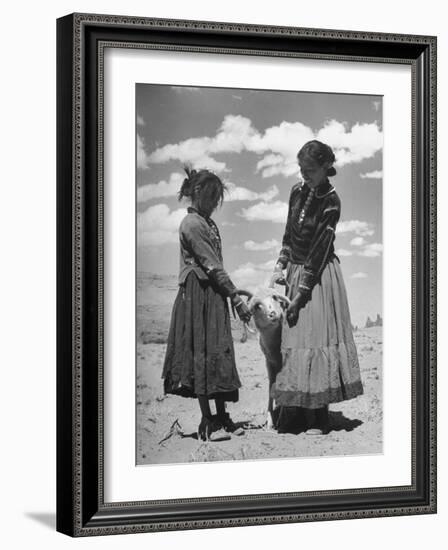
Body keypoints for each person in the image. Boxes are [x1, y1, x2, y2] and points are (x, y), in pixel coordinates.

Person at [270, 140, 364, 435]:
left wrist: (299, 296)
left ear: (326, 167)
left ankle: (319, 416)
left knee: (316, 339)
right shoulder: (296, 192)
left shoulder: (331, 201)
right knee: (294, 343)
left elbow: (320, 251)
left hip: (319, 277)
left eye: (309, 170)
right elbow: (288, 233)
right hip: (296, 271)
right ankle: (297, 413)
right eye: (301, 169)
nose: (304, 174)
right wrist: (280, 265)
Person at [162, 167, 251, 441]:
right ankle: (207, 420)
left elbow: (215, 265)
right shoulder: (191, 225)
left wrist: (229, 292)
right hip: (197, 296)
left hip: (212, 295)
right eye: (212, 198)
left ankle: (222, 416)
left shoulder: (208, 223)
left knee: (217, 351)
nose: (214, 205)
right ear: (198, 193)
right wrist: (235, 296)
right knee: (201, 352)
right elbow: (210, 265)